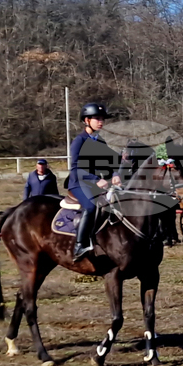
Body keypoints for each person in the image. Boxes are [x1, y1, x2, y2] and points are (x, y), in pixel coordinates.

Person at [69, 103, 122, 261]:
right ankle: (80, 245)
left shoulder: (100, 142)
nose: (101, 122)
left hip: (98, 183)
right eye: (97, 119)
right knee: (91, 207)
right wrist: (95, 180)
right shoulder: (79, 141)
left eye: (102, 119)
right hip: (79, 184)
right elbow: (75, 168)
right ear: (87, 120)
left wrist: (115, 174)